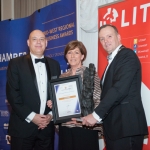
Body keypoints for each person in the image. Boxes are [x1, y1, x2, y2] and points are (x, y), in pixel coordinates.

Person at [82, 24, 148, 150]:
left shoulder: (127, 55)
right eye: (102, 38)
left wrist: (95, 115)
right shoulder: (113, 61)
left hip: (126, 128)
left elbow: (119, 89)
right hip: (115, 129)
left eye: (109, 36)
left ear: (118, 37)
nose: (106, 41)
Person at [6, 29, 61, 150]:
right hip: (22, 128)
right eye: (34, 39)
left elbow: (56, 94)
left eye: (42, 39)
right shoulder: (16, 63)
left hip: (46, 129)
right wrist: (32, 117)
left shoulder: (54, 65)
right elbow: (12, 95)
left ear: (46, 43)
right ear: (28, 42)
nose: (38, 42)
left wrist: (51, 115)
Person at [47, 40, 102, 150]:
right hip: (66, 128)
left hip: (85, 127)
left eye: (76, 52)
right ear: (66, 56)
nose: (72, 56)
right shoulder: (61, 77)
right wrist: (54, 104)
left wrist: (83, 119)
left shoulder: (90, 74)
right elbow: (61, 103)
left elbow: (98, 100)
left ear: (82, 56)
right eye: (69, 52)